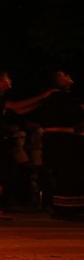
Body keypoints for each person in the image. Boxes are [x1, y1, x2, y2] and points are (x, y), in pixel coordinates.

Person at [0, 72, 54, 219]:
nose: (10, 81)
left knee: (4, 171)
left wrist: (42, 101)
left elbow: (20, 110)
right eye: (6, 79)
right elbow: (16, 106)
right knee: (0, 172)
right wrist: (42, 96)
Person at [38, 71, 84, 217]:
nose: (69, 77)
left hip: (60, 137)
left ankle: (67, 208)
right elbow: (71, 115)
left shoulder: (60, 97)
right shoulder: (57, 97)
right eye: (64, 75)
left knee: (66, 172)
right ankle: (67, 209)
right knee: (68, 172)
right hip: (61, 138)